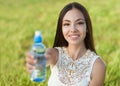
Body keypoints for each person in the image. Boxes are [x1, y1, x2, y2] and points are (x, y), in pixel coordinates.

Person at [26, 2, 106, 86]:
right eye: (67, 24)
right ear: (61, 29)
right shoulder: (55, 54)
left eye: (79, 23)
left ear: (87, 28)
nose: (73, 29)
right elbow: (47, 56)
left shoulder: (98, 65)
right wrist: (38, 61)